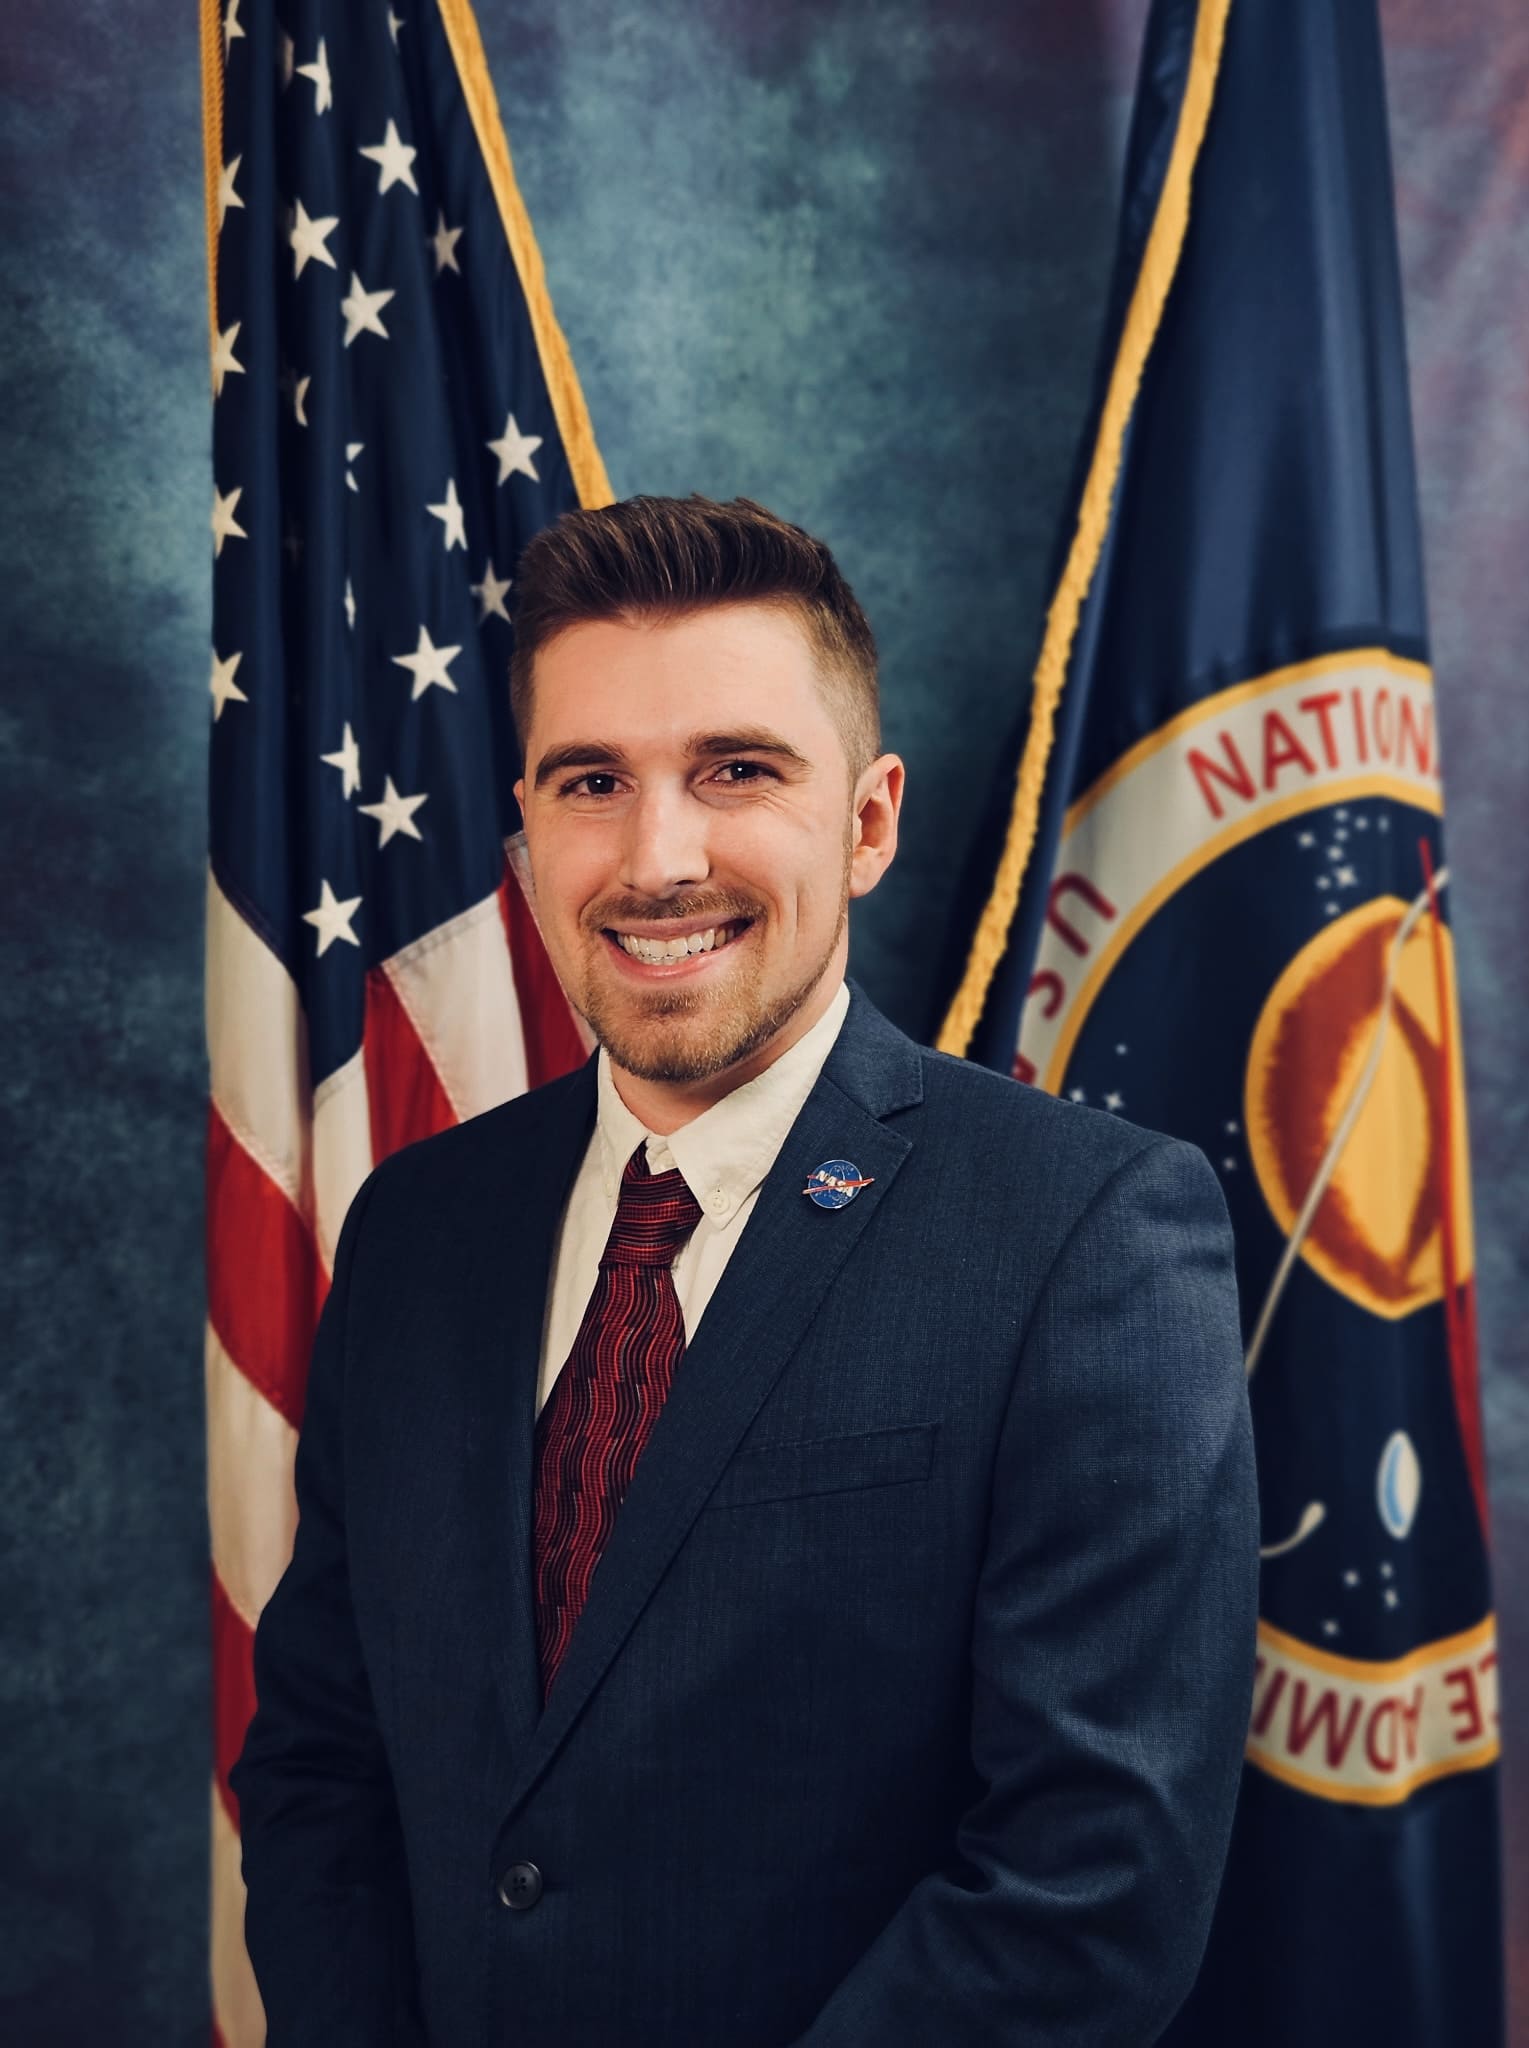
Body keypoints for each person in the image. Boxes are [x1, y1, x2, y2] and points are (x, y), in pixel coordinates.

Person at [232, 494, 1260, 2047]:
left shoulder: (1086, 1234)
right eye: (594, 782)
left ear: (867, 821)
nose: (658, 858)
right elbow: (323, 1763)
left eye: (737, 772)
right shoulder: (417, 1231)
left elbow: (1089, 1886)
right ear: (525, 828)